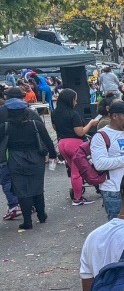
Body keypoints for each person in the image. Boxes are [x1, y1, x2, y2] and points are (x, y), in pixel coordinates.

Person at [2, 86, 54, 230]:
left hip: (15, 158)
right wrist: (53, 155)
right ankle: (42, 214)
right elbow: (48, 140)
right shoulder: (35, 123)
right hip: (36, 158)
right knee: (37, 186)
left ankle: (27, 221)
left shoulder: (5, 127)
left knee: (21, 190)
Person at [50, 88, 101, 206]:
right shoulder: (73, 114)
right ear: (70, 100)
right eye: (75, 100)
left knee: (73, 169)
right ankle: (78, 198)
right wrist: (91, 124)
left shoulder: (54, 113)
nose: (76, 102)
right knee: (76, 172)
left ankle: (77, 194)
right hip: (75, 144)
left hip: (62, 143)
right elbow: (80, 132)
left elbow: (55, 128)